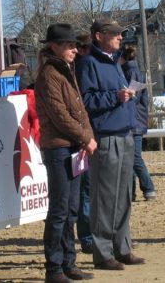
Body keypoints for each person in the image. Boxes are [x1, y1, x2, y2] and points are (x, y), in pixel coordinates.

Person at [76, 17, 144, 270]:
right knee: (104, 197)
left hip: (125, 134)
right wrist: (115, 97)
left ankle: (122, 247)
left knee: (125, 194)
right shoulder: (88, 64)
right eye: (114, 33)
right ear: (98, 36)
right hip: (105, 136)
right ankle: (103, 253)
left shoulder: (115, 62)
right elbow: (85, 101)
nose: (119, 37)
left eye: (120, 33)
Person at [34, 23, 98, 283]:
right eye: (70, 45)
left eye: (75, 45)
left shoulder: (64, 71)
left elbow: (79, 110)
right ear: (55, 46)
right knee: (59, 210)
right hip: (58, 147)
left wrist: (87, 136)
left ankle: (68, 263)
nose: (75, 49)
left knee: (70, 208)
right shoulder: (50, 74)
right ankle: (54, 268)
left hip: (71, 146)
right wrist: (86, 137)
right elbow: (60, 115)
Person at [119, 45, 157, 201]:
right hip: (138, 120)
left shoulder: (129, 72)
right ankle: (132, 192)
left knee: (134, 158)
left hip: (134, 121)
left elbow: (133, 99)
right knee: (131, 158)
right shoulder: (134, 70)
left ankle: (149, 188)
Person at [74, 33, 95, 255]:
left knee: (88, 192)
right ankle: (87, 237)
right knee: (85, 192)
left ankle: (90, 235)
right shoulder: (81, 70)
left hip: (90, 136)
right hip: (83, 139)